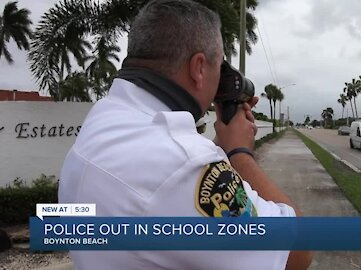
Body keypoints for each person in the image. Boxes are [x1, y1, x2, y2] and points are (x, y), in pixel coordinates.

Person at [59, 0, 312, 269]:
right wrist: (240, 153)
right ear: (199, 68)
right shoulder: (182, 164)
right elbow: (298, 251)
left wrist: (220, 147)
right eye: (219, 67)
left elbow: (169, 183)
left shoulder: (106, 115)